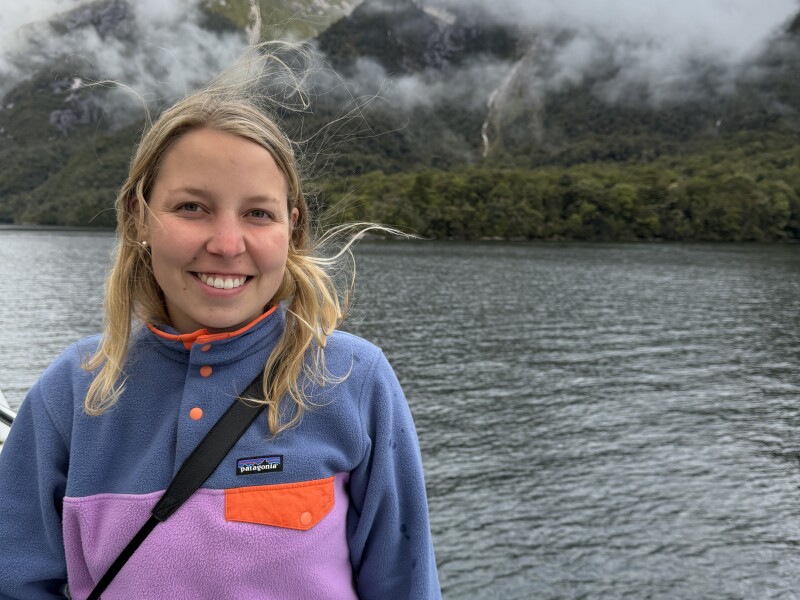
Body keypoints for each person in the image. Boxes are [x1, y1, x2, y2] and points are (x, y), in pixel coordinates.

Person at [0, 42, 441, 599]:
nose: (228, 244)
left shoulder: (355, 380)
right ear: (140, 216)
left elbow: (405, 582)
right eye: (192, 207)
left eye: (258, 213)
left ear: (291, 230)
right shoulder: (71, 393)